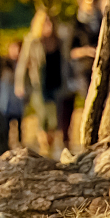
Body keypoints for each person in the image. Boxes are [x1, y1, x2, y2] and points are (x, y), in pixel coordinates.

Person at [13, 10, 70, 155]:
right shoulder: (32, 41)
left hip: (57, 85)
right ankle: (45, 150)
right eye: (45, 22)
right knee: (43, 117)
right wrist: (20, 84)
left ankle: (50, 147)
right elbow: (22, 64)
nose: (49, 25)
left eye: (50, 22)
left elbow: (65, 63)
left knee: (54, 121)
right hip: (39, 86)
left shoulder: (60, 41)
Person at [0, 38, 26, 148]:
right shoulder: (4, 63)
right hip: (6, 100)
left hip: (18, 101)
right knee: (6, 125)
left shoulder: (22, 65)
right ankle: (5, 144)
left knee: (19, 124)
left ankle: (20, 143)